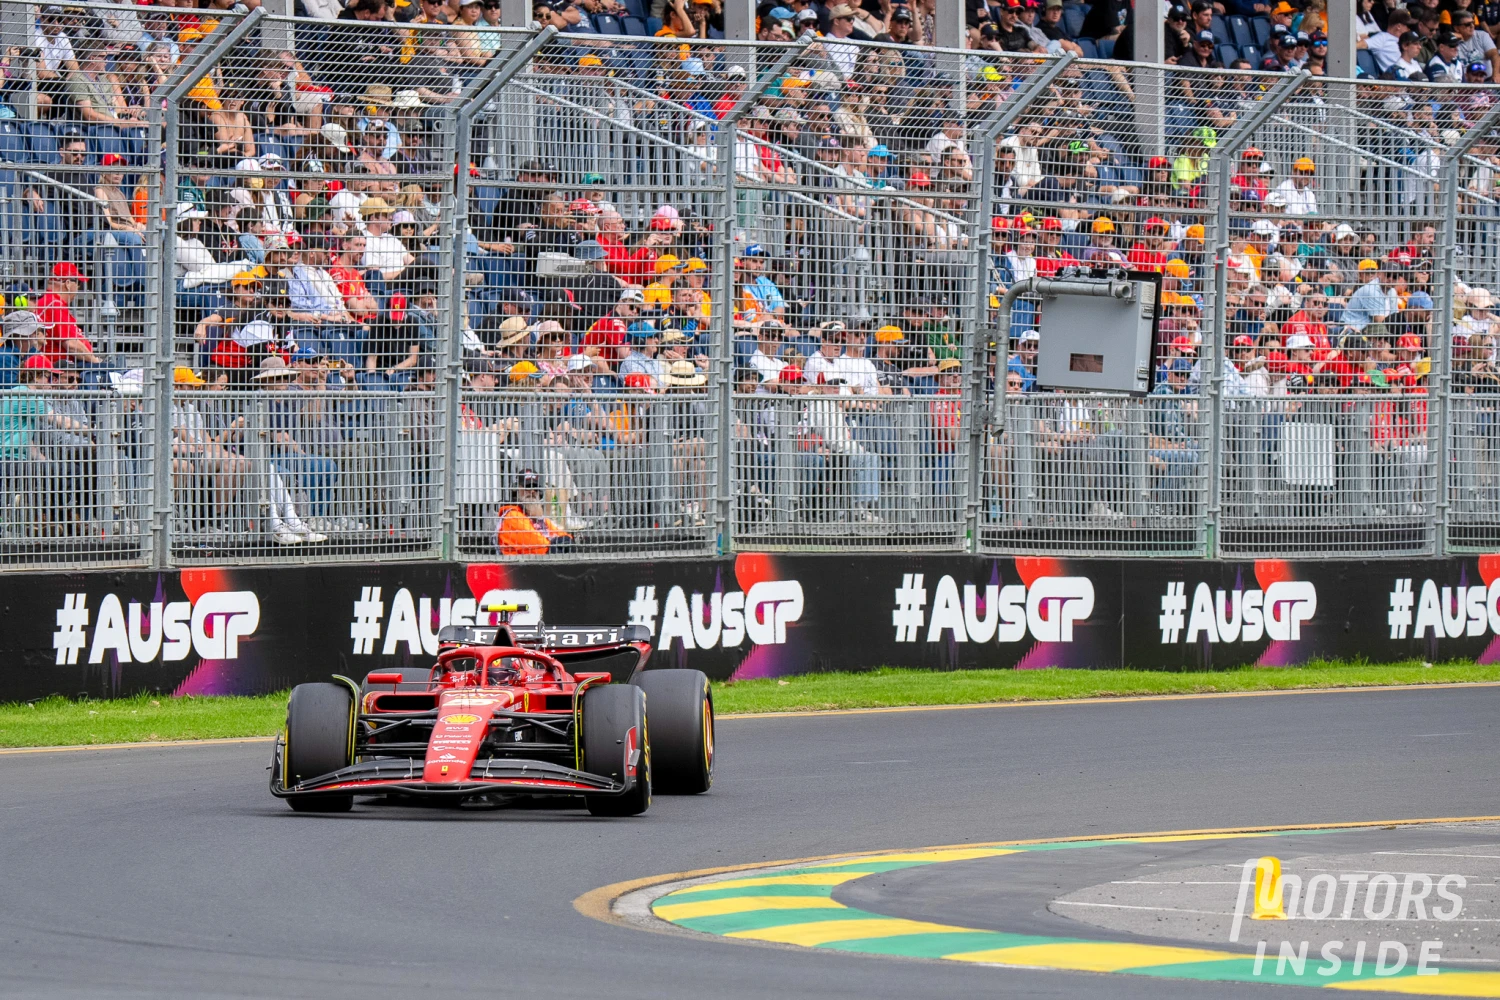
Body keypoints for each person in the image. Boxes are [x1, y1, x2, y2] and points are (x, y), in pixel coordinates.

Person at [495, 467, 571, 554]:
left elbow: (566, 538)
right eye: (527, 487)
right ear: (516, 490)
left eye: (535, 487)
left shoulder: (538, 517)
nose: (532, 491)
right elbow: (544, 548)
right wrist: (557, 543)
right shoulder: (512, 517)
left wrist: (561, 542)